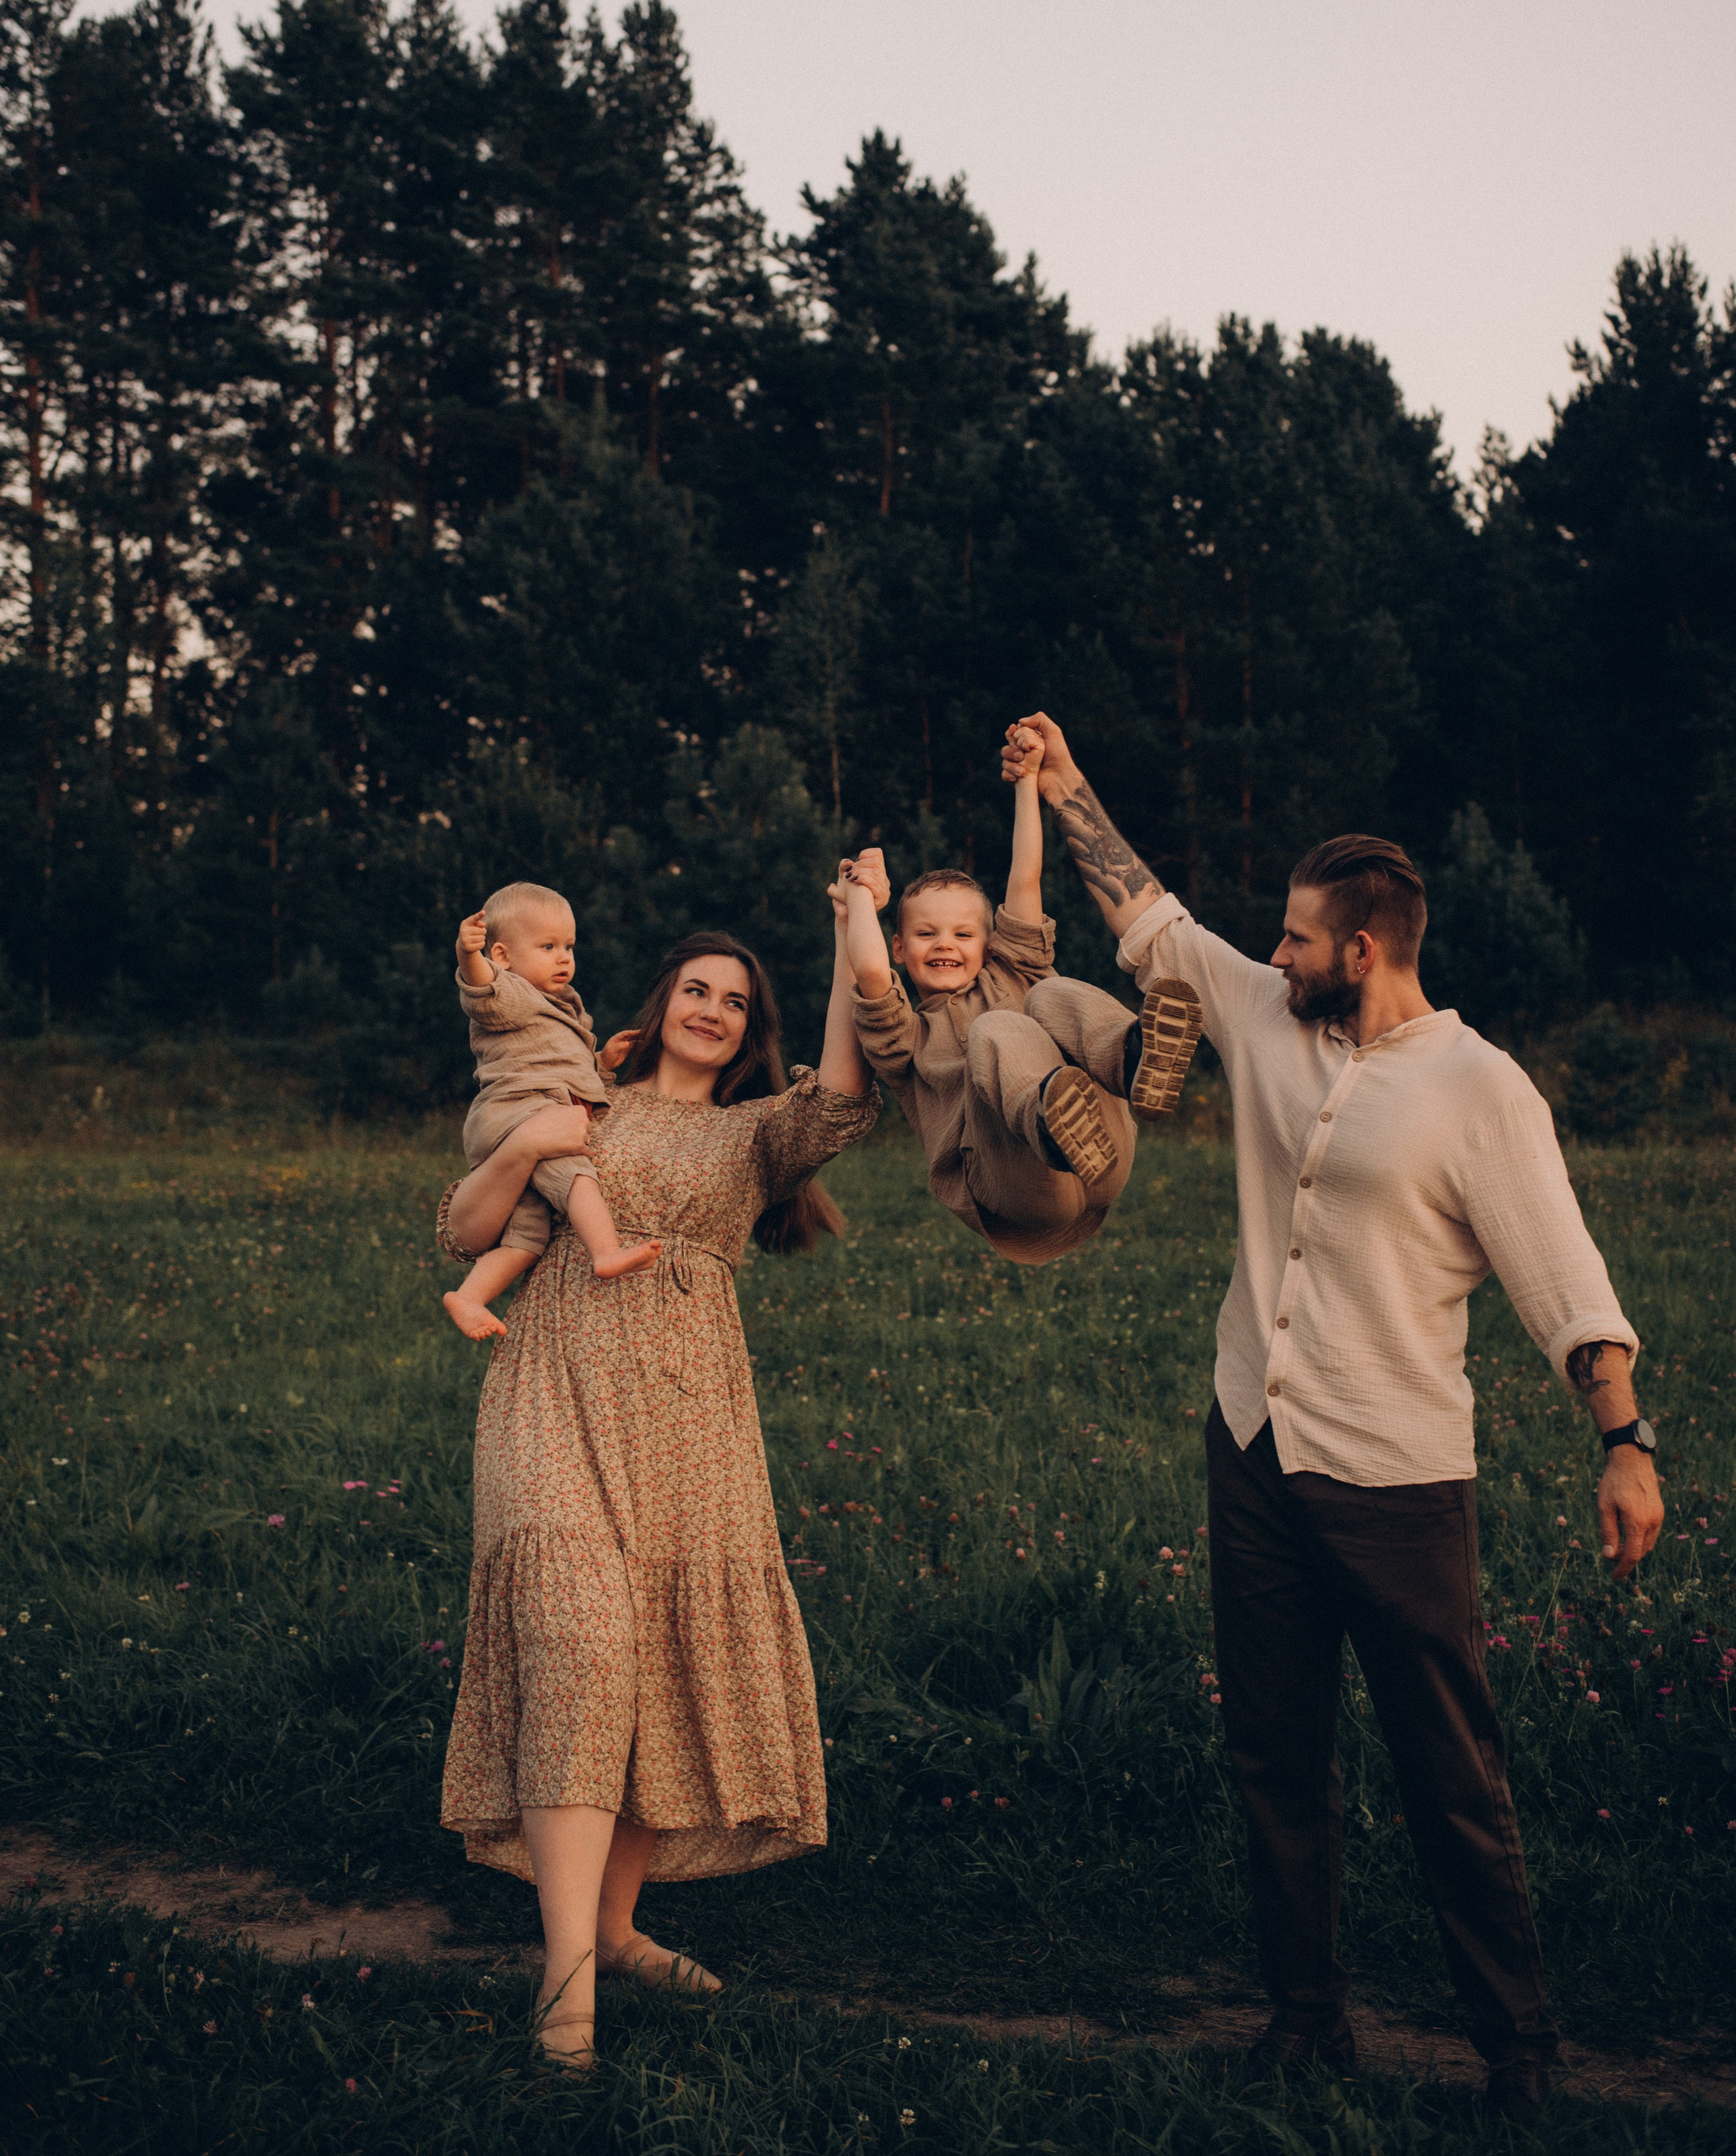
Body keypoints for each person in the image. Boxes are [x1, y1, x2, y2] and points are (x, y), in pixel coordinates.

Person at [1006, 711, 1662, 2121]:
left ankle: (1518, 2049)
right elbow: (1147, 916)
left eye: (1298, 939)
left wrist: (1622, 1442)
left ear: (1361, 950)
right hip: (1252, 1448)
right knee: (1273, 1751)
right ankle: (1306, 2021)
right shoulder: (1266, 1016)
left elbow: (1563, 1277)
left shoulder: (1477, 1089)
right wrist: (1064, 786)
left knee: (1447, 1767)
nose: (1276, 952)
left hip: (1395, 1474)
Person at [435, 901, 877, 2069]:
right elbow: (464, 1230)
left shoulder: (755, 1137)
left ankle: (618, 1931)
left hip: (690, 1419)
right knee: (579, 1639)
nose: (713, 1011)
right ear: (662, 999)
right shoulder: (580, 1092)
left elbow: (842, 1090)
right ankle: (568, 1988)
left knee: (650, 1660)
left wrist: (857, 929)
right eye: (697, 989)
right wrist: (531, 1146)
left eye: (736, 1001)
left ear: (750, 1029)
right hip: (551, 1384)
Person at [838, 730, 1201, 1266]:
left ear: (989, 944)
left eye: (963, 934)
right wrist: (861, 898)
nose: (944, 944)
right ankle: (1049, 1123)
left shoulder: (1017, 972)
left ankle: (1135, 1057)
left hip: (1105, 1156)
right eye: (926, 934)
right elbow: (870, 970)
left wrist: (1027, 782)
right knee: (998, 1030)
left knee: (1050, 993)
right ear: (900, 948)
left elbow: (1025, 876)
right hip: (1018, 1184)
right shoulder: (905, 1040)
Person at [446, 879, 659, 1344]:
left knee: (527, 1237)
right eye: (548, 947)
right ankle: (606, 1252)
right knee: (577, 1174)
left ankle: (469, 1296)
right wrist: (468, 955)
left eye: (568, 946)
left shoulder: (558, 1006)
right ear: (502, 956)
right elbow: (480, 988)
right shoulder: (512, 993)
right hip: (520, 1112)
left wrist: (602, 1064)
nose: (564, 958)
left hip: (525, 1115)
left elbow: (564, 1069)